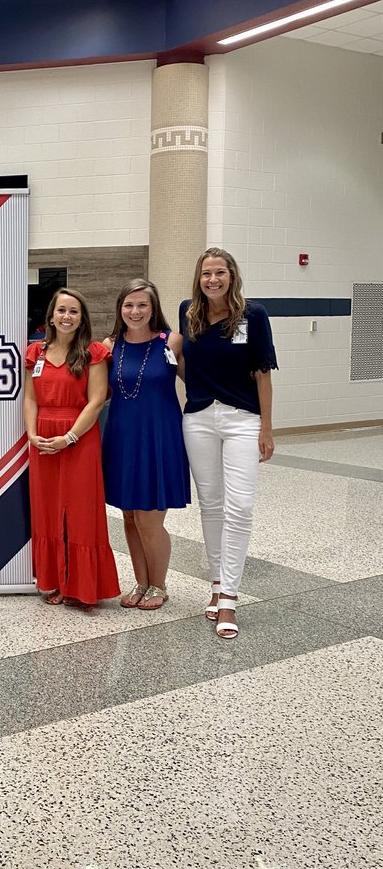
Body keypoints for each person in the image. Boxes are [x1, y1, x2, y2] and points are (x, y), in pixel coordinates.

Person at [179, 247, 277, 640]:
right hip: (199, 417)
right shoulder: (190, 312)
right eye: (207, 273)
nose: (213, 280)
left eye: (220, 272)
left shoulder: (253, 315)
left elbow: (262, 372)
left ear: (232, 276)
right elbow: (188, 364)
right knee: (211, 505)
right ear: (198, 278)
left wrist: (266, 428)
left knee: (240, 506)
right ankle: (217, 583)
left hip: (242, 420)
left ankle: (230, 600)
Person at [24, 287, 119, 607]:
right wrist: (32, 435)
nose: (67, 316)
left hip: (79, 437)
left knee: (79, 511)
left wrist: (68, 438)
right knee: (48, 510)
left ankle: (82, 584)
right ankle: (55, 579)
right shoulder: (35, 352)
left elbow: (95, 403)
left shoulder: (93, 352)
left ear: (82, 318)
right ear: (51, 315)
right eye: (61, 310)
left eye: (74, 311)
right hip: (43, 440)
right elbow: (29, 398)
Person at [101, 279, 190, 610]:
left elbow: (197, 384)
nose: (135, 311)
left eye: (142, 305)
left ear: (154, 309)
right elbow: (97, 392)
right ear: (120, 309)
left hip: (159, 438)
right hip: (123, 438)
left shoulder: (172, 341)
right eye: (129, 305)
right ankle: (140, 581)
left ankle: (159, 585)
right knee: (128, 517)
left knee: (150, 519)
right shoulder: (109, 345)